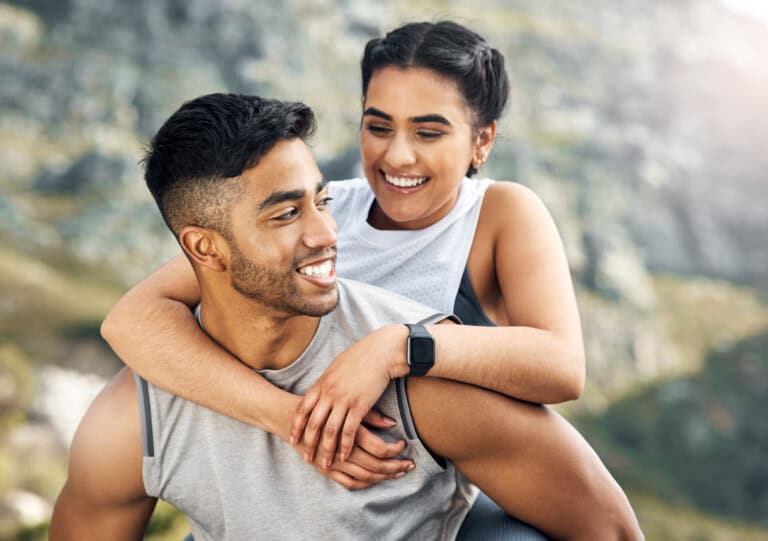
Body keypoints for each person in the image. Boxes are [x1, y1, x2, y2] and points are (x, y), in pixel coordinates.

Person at [100, 22, 619, 538]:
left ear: (482, 140)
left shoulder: (500, 213)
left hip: (417, 490)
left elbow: (561, 367)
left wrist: (396, 347)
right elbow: (132, 321)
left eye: (428, 132)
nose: (397, 155)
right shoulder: (322, 211)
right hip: (278, 479)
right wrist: (291, 419)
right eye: (379, 127)